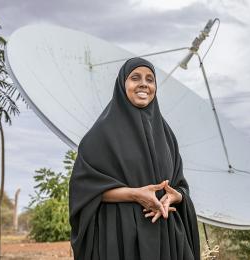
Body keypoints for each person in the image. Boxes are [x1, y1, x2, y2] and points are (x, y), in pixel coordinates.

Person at [69, 57, 200, 260]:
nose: (143, 84)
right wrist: (134, 194)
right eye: (135, 78)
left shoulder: (166, 134)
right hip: (121, 238)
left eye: (150, 79)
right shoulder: (101, 134)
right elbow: (84, 189)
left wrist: (176, 196)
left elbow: (180, 185)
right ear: (123, 84)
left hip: (167, 238)